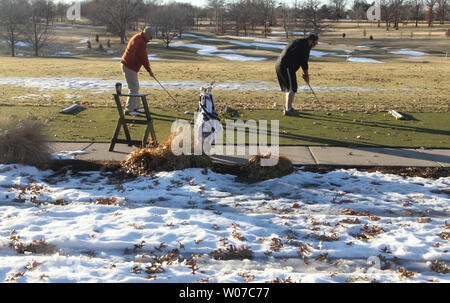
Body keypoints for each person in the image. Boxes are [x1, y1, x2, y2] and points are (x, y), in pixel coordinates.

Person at [275, 34, 319, 116]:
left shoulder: (300, 42)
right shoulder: (304, 46)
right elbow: (304, 62)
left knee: (291, 87)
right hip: (285, 66)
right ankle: (288, 110)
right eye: (314, 43)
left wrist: (305, 74)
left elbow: (300, 59)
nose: (314, 45)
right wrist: (306, 75)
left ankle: (289, 107)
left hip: (283, 66)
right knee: (292, 88)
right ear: (310, 40)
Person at [120, 27, 155, 115]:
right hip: (129, 66)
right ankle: (129, 109)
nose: (150, 39)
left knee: (135, 87)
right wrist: (149, 70)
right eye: (150, 37)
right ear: (146, 34)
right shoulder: (140, 42)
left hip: (129, 66)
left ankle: (136, 107)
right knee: (133, 88)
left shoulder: (139, 37)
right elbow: (143, 58)